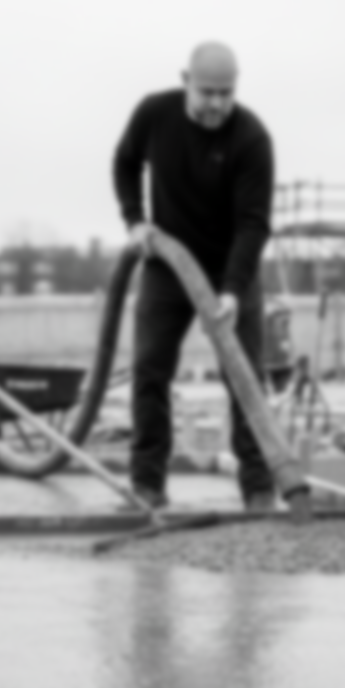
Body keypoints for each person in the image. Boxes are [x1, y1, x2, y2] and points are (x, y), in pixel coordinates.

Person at [112, 42, 276, 511]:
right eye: (207, 92)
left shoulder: (251, 138)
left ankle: (260, 489)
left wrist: (232, 290)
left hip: (232, 269)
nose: (217, 104)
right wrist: (135, 220)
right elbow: (125, 162)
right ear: (185, 80)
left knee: (245, 378)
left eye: (227, 93)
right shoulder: (154, 113)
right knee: (150, 371)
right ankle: (146, 484)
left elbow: (254, 224)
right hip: (167, 265)